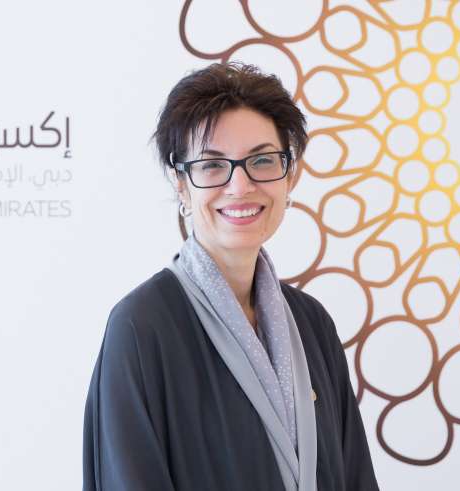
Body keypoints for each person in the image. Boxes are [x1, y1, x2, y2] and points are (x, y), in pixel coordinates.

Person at [83, 62, 379, 491]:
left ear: (290, 175)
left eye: (262, 160)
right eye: (212, 165)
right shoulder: (141, 327)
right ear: (181, 184)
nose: (240, 186)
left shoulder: (312, 323)